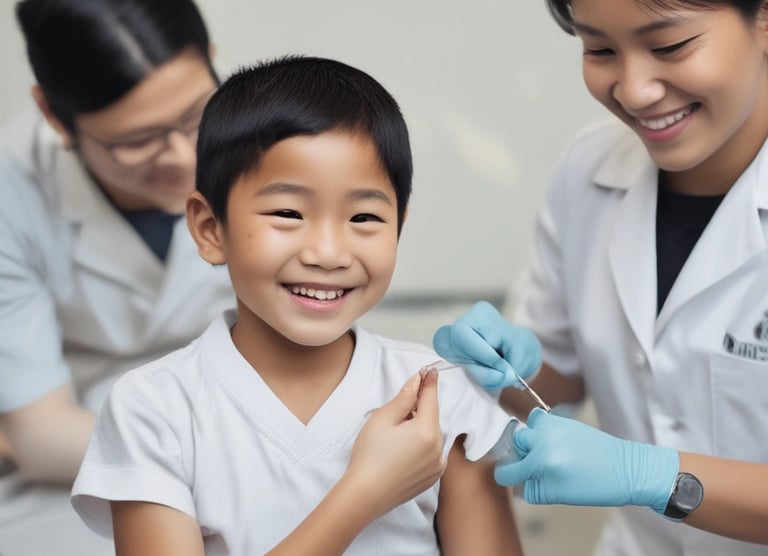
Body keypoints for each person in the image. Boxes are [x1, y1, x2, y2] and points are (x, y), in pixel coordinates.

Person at [70, 56, 525, 555]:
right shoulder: (154, 409)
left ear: (400, 224)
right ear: (210, 228)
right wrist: (364, 493)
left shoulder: (438, 399)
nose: (328, 254)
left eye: (365, 216)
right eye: (288, 213)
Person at [433, 0, 768, 554]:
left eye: (669, 47)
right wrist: (509, 366)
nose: (634, 90)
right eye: (600, 49)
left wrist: (655, 476)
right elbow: (558, 380)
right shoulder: (588, 173)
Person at [0, 1, 235, 553]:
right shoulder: (11, 191)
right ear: (54, 116)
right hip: (82, 463)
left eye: (196, 114)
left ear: (211, 62)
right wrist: (224, 462)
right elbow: (40, 434)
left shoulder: (277, 128)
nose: (182, 157)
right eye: (136, 140)